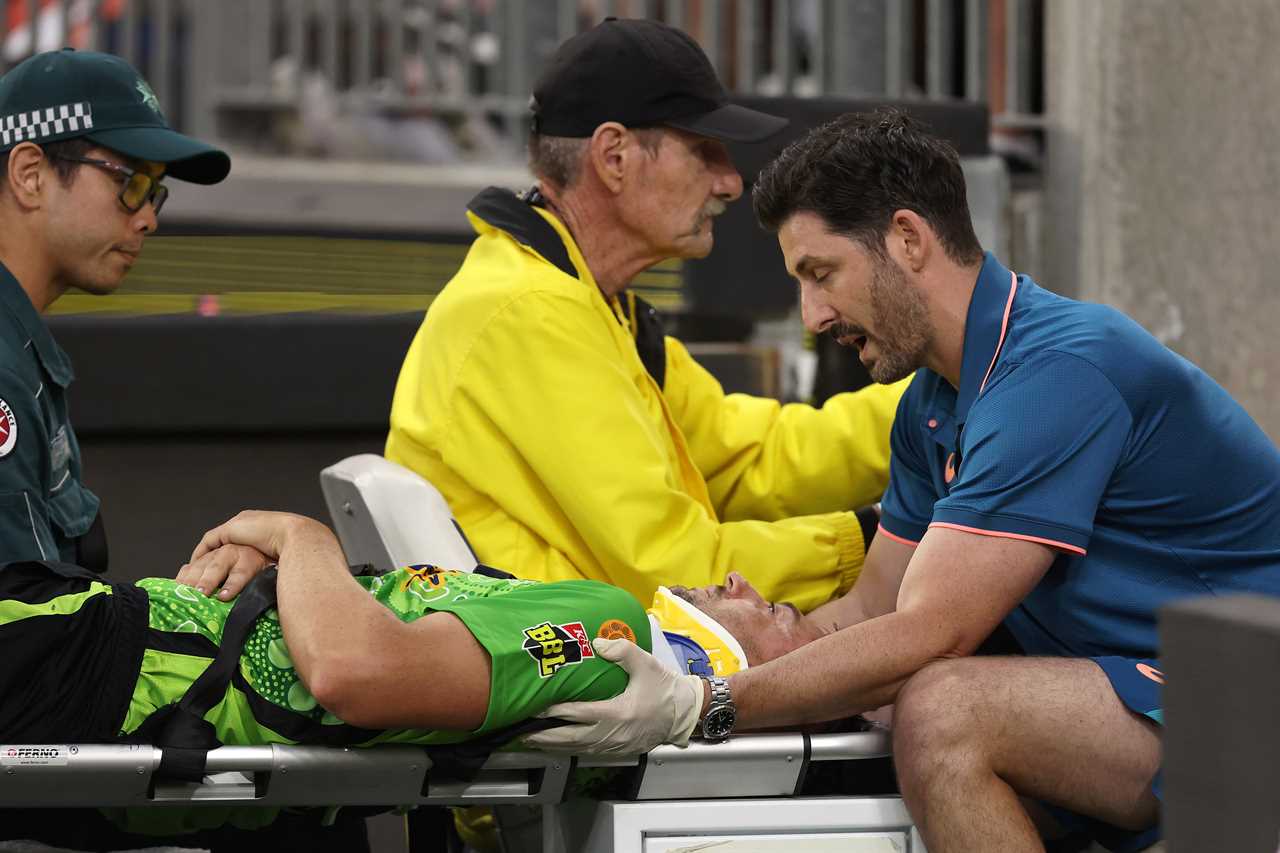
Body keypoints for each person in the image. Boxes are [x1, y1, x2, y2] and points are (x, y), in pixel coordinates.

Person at [521, 109, 1280, 853]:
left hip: (1248, 701)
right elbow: (870, 609)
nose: (813, 315)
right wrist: (702, 650)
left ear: (908, 239)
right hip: (1150, 699)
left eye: (822, 274)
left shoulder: (1060, 371)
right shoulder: (929, 405)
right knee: (892, 716)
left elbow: (927, 630)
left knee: (947, 708)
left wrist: (702, 705)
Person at [385, 17, 907, 613]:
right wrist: (875, 540)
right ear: (614, 157)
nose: (731, 182)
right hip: (575, 678)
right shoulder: (532, 314)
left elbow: (752, 461)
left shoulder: (588, 306)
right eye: (703, 150)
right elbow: (675, 572)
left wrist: (932, 402)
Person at [0, 509, 826, 835]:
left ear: (739, 668)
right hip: (127, 677)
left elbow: (353, 671)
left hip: (103, 666)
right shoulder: (614, 647)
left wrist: (300, 538)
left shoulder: (608, 633)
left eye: (782, 615)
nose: (745, 584)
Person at [0, 48, 230, 572]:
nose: (149, 218)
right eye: (131, 184)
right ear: (30, 174)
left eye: (156, 193)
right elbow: (27, 632)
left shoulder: (20, 346)